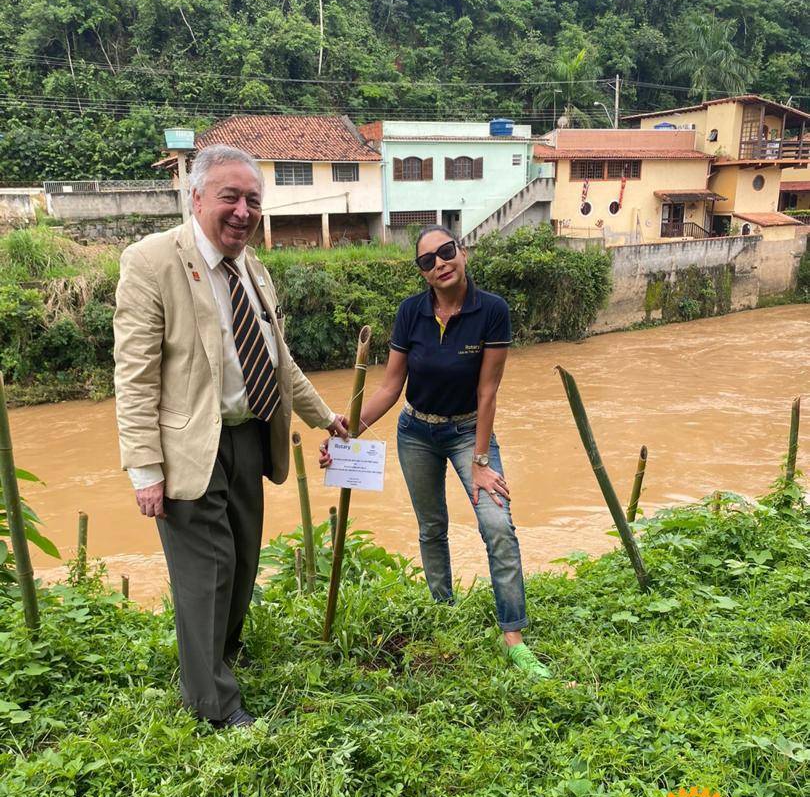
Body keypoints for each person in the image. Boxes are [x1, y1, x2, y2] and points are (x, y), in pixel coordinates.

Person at [114, 144, 348, 729]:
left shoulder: (252, 268)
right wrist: (145, 469)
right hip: (189, 446)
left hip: (249, 437)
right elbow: (135, 375)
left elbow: (277, 359)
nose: (244, 211)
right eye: (230, 197)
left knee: (242, 563)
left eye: (253, 200)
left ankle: (217, 656)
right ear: (195, 198)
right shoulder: (151, 261)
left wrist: (325, 418)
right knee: (208, 571)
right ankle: (214, 706)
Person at [321, 225, 556, 679]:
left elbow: (487, 392)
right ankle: (442, 610)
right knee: (432, 528)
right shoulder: (411, 312)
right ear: (423, 273)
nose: (439, 263)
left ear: (462, 252)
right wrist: (346, 432)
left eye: (446, 252)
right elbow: (391, 387)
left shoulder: (492, 311)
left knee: (497, 525)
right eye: (427, 260)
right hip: (417, 432)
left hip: (470, 432)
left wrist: (482, 462)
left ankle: (514, 638)